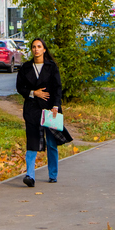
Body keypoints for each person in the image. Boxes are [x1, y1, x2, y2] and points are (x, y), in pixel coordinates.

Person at [16, 37, 72, 186]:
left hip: (50, 109)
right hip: (32, 109)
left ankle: (53, 174)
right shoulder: (26, 67)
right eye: (34, 47)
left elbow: (57, 88)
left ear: (44, 49)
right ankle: (30, 176)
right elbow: (20, 87)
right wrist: (33, 93)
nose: (36, 49)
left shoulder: (51, 67)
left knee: (52, 143)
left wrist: (56, 105)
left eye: (39, 46)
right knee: (32, 141)